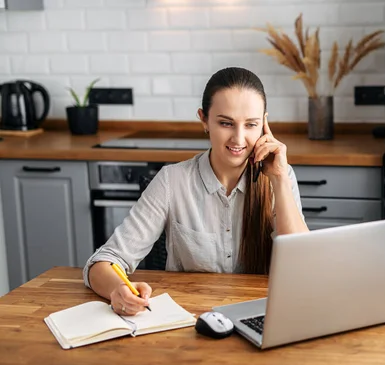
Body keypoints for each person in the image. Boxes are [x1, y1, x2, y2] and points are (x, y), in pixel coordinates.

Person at [83, 67, 309, 316]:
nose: (239, 138)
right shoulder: (172, 181)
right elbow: (103, 262)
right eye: (226, 123)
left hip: (263, 316)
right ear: (204, 120)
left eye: (251, 125)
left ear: (264, 124)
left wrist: (278, 179)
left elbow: (303, 266)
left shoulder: (280, 176)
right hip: (190, 319)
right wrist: (118, 290)